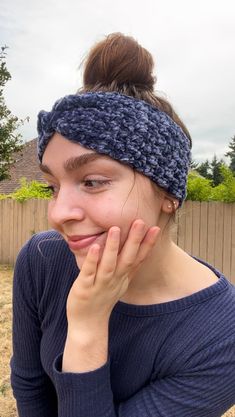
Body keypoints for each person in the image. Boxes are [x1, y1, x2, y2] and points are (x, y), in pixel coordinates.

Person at [11, 33, 235, 417]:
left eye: (92, 181)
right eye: (53, 187)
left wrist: (87, 327)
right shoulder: (43, 260)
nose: (58, 213)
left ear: (168, 193)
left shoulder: (220, 336)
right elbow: (30, 387)